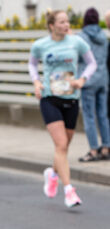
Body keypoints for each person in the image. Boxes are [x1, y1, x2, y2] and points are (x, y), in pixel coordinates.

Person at [28, 10, 97, 207]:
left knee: (64, 146)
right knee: (61, 145)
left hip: (72, 100)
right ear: (52, 26)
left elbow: (92, 63)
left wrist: (82, 79)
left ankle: (52, 174)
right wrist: (36, 82)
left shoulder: (76, 42)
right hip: (50, 99)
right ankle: (69, 191)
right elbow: (32, 65)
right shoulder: (40, 45)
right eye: (62, 22)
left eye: (67, 21)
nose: (66, 25)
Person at [77, 8, 110, 161]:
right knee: (103, 116)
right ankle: (106, 148)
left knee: (89, 117)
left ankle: (93, 150)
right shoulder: (104, 36)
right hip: (103, 81)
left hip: (88, 81)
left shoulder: (81, 37)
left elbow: (76, 58)